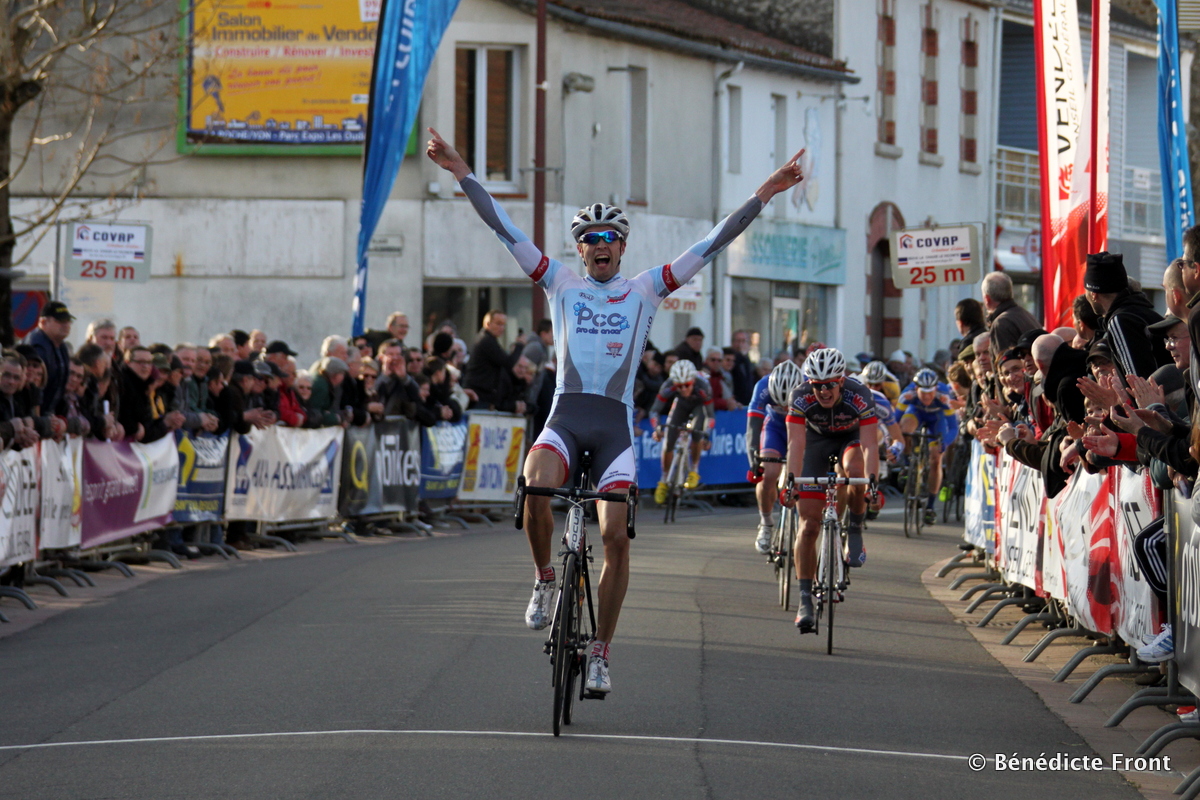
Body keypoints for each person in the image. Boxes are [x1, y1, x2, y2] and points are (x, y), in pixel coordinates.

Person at [427, 124, 806, 695]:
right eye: (588, 238)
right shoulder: (557, 283)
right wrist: (461, 172)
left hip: (614, 431)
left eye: (609, 237)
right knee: (534, 486)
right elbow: (502, 227)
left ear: (622, 247)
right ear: (579, 249)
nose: (599, 244)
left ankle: (601, 651)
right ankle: (545, 578)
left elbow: (714, 241)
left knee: (615, 539)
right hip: (565, 417)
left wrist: (766, 192)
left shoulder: (649, 289)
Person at [779, 348, 878, 633]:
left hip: (850, 439)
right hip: (816, 443)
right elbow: (796, 444)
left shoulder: (860, 394)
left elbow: (871, 444)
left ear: (841, 382)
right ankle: (804, 600)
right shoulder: (799, 396)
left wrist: (873, 482)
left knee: (856, 472)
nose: (823, 392)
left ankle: (856, 528)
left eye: (829, 385)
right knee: (808, 525)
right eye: (817, 386)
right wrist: (791, 481)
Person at [745, 359, 803, 553]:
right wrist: (753, 457)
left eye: (788, 405)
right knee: (768, 473)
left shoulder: (808, 386)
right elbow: (753, 427)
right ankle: (766, 523)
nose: (785, 408)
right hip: (775, 429)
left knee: (803, 475)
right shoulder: (762, 386)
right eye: (780, 404)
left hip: (802, 429)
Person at [1085, 251, 1170, 379]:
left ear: (1094, 294)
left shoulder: (1120, 321)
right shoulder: (1141, 312)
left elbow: (1137, 381)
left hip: (1156, 398)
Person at [650, 359, 714, 503]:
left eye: (687, 385)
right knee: (669, 441)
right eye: (679, 386)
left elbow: (710, 416)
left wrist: (707, 434)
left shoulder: (703, 386)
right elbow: (654, 410)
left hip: (699, 406)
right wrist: (657, 428)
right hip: (681, 405)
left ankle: (694, 470)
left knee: (698, 431)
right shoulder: (668, 385)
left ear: (693, 380)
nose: (683, 389)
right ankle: (664, 479)